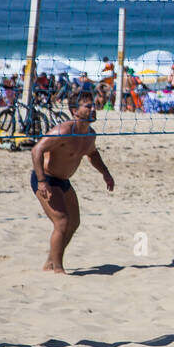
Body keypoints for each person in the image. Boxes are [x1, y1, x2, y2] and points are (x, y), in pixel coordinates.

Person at [29, 93, 115, 273]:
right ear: (75, 111)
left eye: (93, 106)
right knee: (62, 222)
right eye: (88, 106)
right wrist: (42, 182)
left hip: (63, 180)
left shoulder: (90, 135)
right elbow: (36, 150)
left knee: (74, 222)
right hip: (45, 178)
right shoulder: (63, 131)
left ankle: (51, 261)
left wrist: (105, 173)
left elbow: (92, 154)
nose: (93, 109)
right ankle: (58, 269)